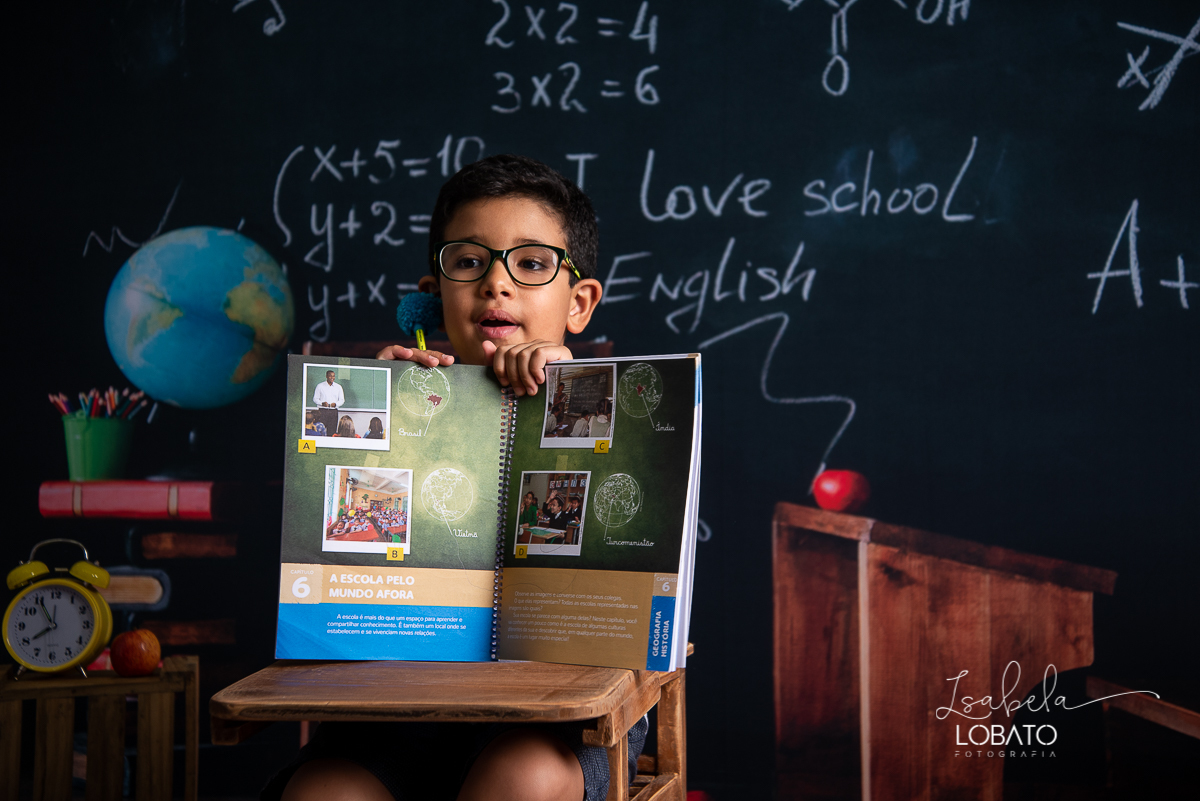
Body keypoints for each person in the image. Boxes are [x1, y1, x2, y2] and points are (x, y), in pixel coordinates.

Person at [272, 154, 645, 801]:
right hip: (393, 717)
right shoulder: (400, 397)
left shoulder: (613, 405)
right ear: (433, 293)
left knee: (522, 775)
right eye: (469, 262)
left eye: (531, 264)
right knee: (325, 791)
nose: (497, 284)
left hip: (557, 723)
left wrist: (571, 389)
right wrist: (386, 426)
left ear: (579, 301)